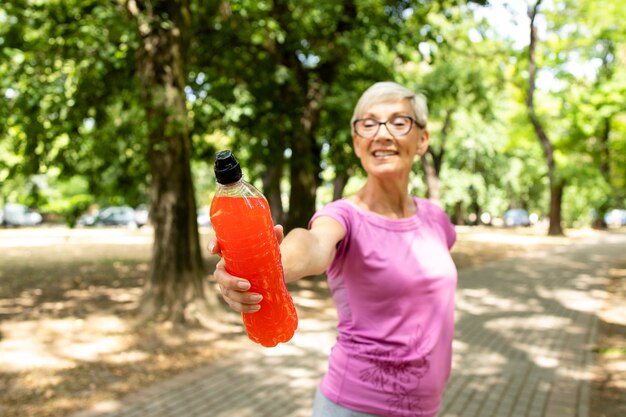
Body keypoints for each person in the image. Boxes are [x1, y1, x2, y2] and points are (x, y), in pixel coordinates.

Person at [210, 81, 457, 417]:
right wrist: (266, 263)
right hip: (355, 406)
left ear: (423, 139)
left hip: (428, 408)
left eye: (399, 122)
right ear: (357, 142)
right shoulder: (343, 216)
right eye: (368, 124)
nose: (382, 133)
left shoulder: (437, 220)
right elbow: (312, 243)